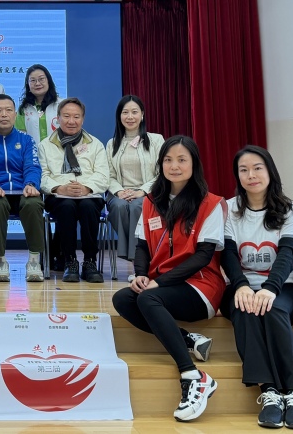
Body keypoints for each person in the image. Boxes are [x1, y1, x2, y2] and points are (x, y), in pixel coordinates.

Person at [110, 135, 225, 423]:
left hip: (201, 287)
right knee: (123, 298)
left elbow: (203, 256)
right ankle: (188, 340)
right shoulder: (151, 202)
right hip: (161, 286)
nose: (174, 166)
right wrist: (140, 275)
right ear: (160, 164)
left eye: (182, 160)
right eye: (168, 160)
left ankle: (192, 375)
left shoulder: (211, 203)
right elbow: (141, 247)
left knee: (149, 298)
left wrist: (158, 283)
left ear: (194, 164)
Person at [221, 146, 293, 429]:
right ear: (237, 175)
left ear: (270, 171)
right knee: (245, 310)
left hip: (284, 286)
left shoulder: (290, 209)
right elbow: (227, 254)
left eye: (257, 168)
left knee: (273, 310)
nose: (251, 175)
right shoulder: (228, 209)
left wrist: (270, 288)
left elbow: (288, 253)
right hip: (241, 287)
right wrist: (241, 286)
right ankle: (269, 392)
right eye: (244, 170)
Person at [38, 98, 109, 284]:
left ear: (83, 119)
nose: (71, 121)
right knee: (67, 206)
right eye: (66, 116)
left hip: (89, 194)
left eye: (76, 117)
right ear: (58, 118)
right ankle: (70, 261)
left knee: (87, 206)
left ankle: (90, 262)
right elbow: (42, 176)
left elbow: (103, 176)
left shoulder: (95, 144)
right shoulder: (45, 145)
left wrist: (86, 188)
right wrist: (59, 188)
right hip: (58, 196)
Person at [0, 93, 45, 283]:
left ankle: (34, 261)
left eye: (8, 110)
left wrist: (31, 184)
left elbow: (32, 166)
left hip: (23, 192)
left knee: (33, 204)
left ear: (15, 114)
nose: (4, 114)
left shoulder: (26, 140)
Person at [106, 95, 165, 278]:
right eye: (125, 112)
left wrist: (142, 191)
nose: (130, 117)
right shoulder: (112, 144)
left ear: (142, 114)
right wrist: (119, 191)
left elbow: (161, 173)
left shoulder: (156, 140)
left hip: (148, 192)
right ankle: (138, 263)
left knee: (138, 206)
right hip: (119, 193)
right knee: (119, 206)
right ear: (119, 116)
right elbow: (108, 175)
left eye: (134, 112)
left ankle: (137, 266)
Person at [16, 64, 62, 141]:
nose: (37, 83)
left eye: (41, 79)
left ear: (49, 81)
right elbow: (21, 137)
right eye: (33, 80)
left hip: (58, 148)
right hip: (32, 149)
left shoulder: (62, 105)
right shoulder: (23, 109)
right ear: (28, 85)